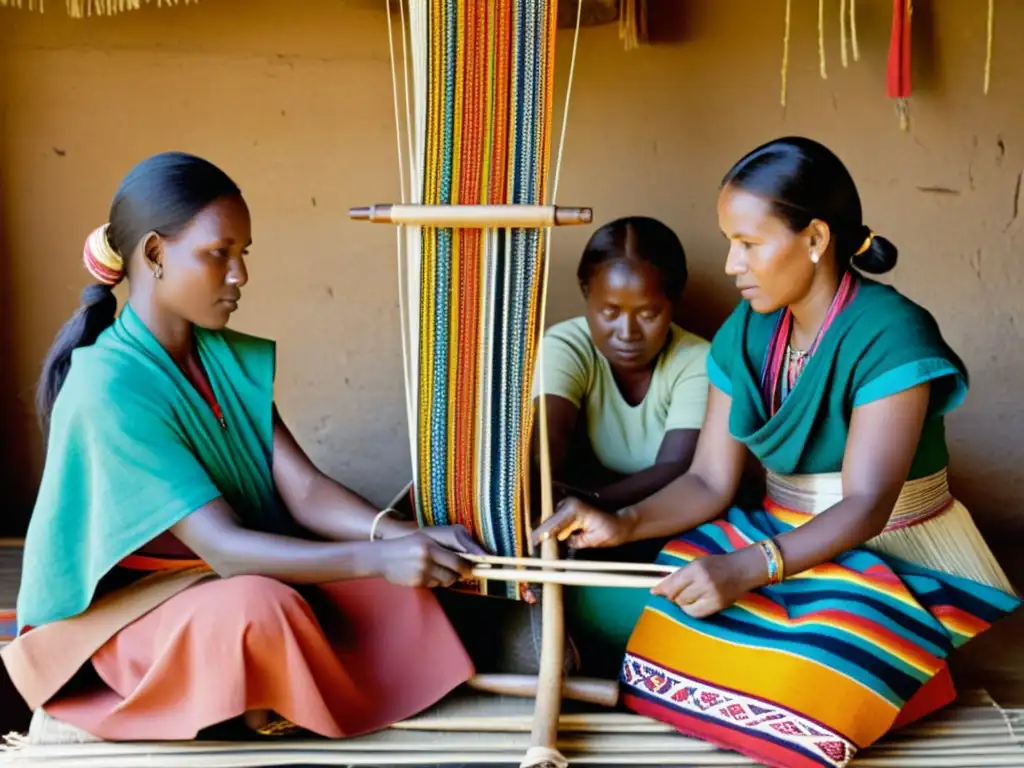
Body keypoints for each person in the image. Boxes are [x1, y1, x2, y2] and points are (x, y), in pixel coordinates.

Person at [533, 137, 1020, 768]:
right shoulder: (748, 329)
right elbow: (709, 480)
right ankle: (883, 670)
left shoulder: (892, 332)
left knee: (798, 709)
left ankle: (903, 657)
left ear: (815, 239)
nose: (732, 263)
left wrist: (745, 569)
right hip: (781, 533)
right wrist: (621, 523)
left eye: (748, 243)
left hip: (893, 546)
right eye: (729, 242)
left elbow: (870, 504)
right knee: (658, 637)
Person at [2, 151, 485, 743]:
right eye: (219, 254)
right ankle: (262, 689)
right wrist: (376, 557)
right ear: (154, 255)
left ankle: (266, 692)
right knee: (260, 608)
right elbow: (226, 550)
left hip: (213, 579)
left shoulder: (222, 355)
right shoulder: (107, 385)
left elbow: (303, 490)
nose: (240, 276)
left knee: (392, 591)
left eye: (243, 254)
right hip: (122, 620)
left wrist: (395, 536)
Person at [531, 215, 709, 675]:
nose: (627, 332)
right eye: (609, 311)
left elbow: (679, 469)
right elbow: (544, 450)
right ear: (586, 296)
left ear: (674, 302)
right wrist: (561, 508)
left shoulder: (698, 360)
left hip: (662, 521)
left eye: (648, 313)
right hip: (585, 523)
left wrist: (587, 506)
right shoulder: (566, 345)